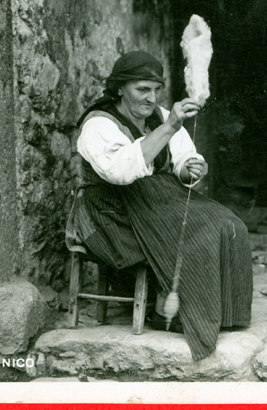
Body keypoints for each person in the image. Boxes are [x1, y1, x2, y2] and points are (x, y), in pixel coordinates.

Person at [70, 51, 252, 361]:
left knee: (230, 223)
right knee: (199, 230)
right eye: (142, 89)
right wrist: (168, 127)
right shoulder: (99, 124)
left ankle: (225, 314)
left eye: (156, 89)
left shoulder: (160, 116)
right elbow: (121, 172)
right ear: (119, 89)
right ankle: (171, 314)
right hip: (111, 210)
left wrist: (189, 168)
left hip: (157, 199)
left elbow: (182, 157)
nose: (151, 98)